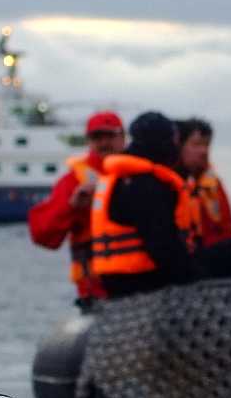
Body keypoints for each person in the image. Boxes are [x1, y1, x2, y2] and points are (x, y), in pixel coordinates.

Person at [87, 112, 201, 298]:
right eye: (173, 141)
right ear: (161, 142)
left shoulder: (118, 177)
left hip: (116, 282)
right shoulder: (145, 183)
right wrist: (196, 281)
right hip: (142, 283)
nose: (176, 147)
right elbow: (164, 250)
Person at [28, 110, 123, 306]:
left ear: (122, 137)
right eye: (98, 137)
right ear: (89, 140)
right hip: (96, 291)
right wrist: (72, 206)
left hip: (142, 284)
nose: (105, 143)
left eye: (110, 136)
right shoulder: (73, 182)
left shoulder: (138, 174)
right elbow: (43, 235)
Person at [177, 117, 231, 278]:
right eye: (196, 145)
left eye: (206, 145)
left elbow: (226, 227)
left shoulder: (212, 183)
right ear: (179, 146)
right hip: (186, 261)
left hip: (210, 256)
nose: (204, 151)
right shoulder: (172, 183)